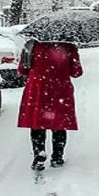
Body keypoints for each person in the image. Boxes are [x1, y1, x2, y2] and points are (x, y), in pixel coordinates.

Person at [17, 40, 83, 171]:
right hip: (60, 90)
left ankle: (39, 155)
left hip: (38, 89)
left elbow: (22, 70)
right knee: (59, 124)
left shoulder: (31, 45)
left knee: (37, 123)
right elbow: (77, 72)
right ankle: (57, 157)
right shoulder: (69, 47)